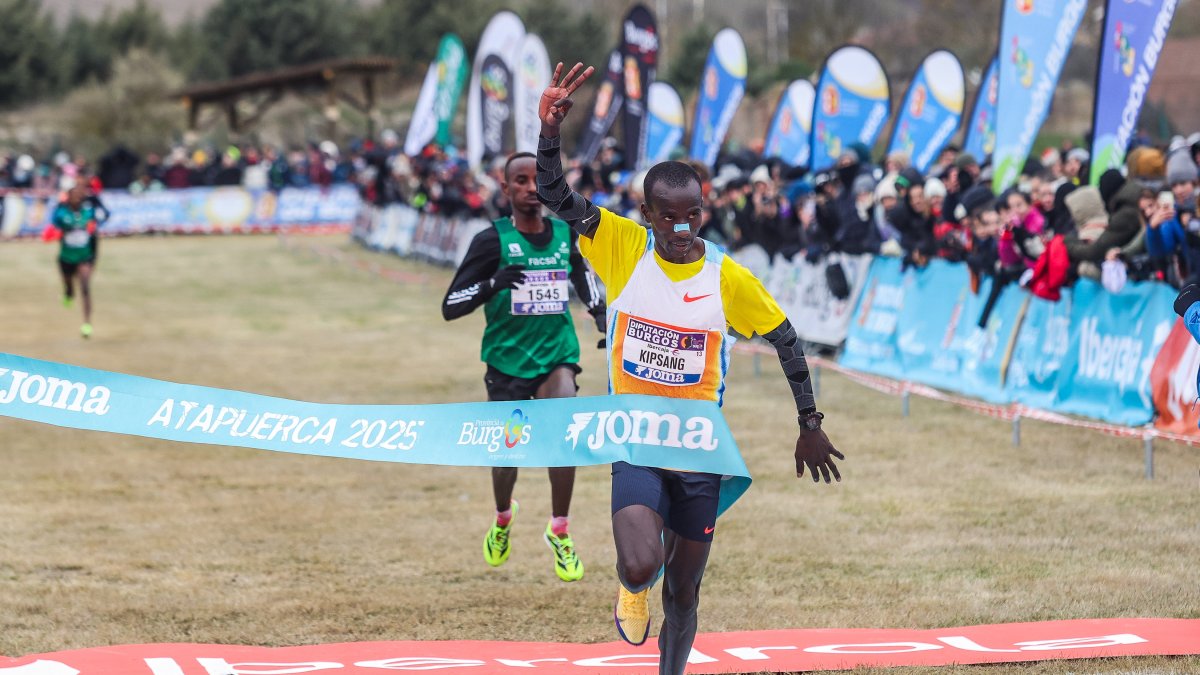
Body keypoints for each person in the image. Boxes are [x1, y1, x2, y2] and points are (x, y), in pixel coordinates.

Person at [535, 62, 844, 675]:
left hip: (700, 447)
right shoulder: (621, 245)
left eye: (693, 215)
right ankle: (629, 584)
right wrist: (550, 133)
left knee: (685, 591)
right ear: (648, 213)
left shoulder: (724, 275)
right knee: (644, 563)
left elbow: (786, 339)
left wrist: (808, 421)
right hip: (637, 440)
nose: (681, 229)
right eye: (668, 216)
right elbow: (555, 198)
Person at [441, 151, 606, 583]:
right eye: (520, 180)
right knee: (506, 456)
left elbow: (582, 276)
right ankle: (501, 518)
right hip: (507, 363)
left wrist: (601, 313)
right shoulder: (491, 241)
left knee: (562, 429)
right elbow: (450, 305)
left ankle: (560, 529)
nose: (531, 188)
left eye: (538, 180)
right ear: (506, 188)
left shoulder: (563, 234)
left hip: (556, 356)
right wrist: (492, 283)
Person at [50, 184, 105, 338]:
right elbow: (54, 223)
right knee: (68, 283)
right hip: (66, 256)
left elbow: (96, 231)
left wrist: (94, 256)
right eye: (73, 195)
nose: (76, 198)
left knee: (85, 287)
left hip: (84, 256)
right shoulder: (62, 213)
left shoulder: (88, 213)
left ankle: (87, 323)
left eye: (79, 196)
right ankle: (68, 293)